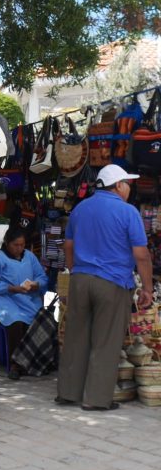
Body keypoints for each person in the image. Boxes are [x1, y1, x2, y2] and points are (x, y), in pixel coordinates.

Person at [58, 164, 153, 411]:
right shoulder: (127, 211)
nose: (130, 189)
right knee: (106, 341)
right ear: (118, 186)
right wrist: (147, 289)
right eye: (128, 184)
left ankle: (67, 393)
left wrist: (74, 271)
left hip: (80, 279)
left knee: (76, 337)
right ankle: (96, 399)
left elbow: (68, 246)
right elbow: (141, 255)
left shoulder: (80, 209)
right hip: (112, 282)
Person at [0, 226, 49, 380]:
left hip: (27, 298)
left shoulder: (30, 257)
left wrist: (36, 284)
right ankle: (16, 364)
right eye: (16, 245)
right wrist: (11, 288)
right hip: (3, 300)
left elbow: (42, 277)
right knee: (15, 321)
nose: (19, 248)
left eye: (22, 245)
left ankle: (37, 362)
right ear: (7, 243)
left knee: (44, 319)